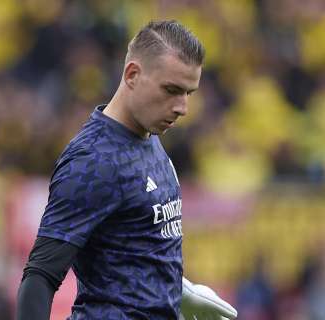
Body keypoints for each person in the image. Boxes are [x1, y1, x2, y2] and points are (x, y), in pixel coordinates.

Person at [16, 20, 237, 320]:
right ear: (132, 74)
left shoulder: (150, 135)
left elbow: (132, 246)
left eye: (188, 93)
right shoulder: (93, 160)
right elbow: (40, 276)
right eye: (171, 90)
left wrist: (176, 292)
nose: (182, 107)